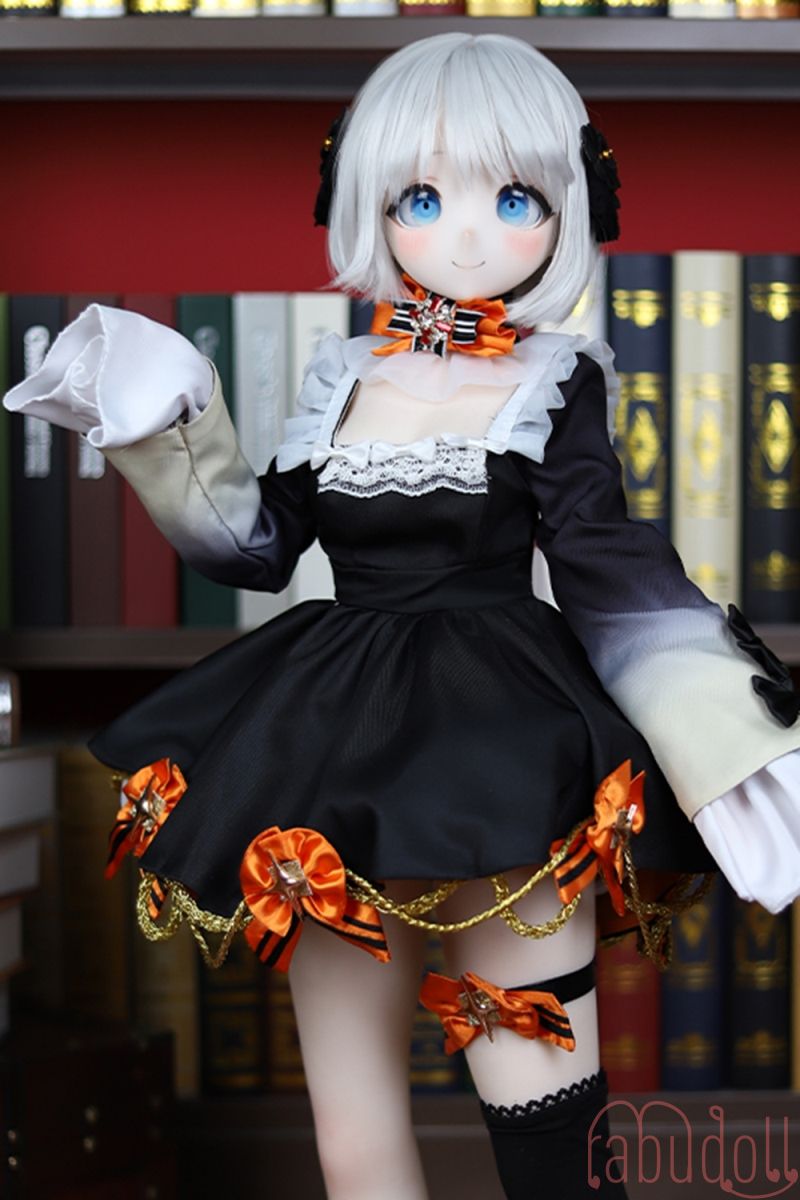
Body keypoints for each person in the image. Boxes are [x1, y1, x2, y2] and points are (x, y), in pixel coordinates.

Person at [5, 32, 800, 1200]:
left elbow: (605, 568)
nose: (466, 237)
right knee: (353, 1130)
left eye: (514, 198)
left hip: (505, 747)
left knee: (543, 1114)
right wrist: (167, 424)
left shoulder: (554, 379)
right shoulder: (342, 378)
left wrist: (734, 733)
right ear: (365, 205)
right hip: (332, 744)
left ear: (570, 206)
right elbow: (256, 547)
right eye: (420, 199)